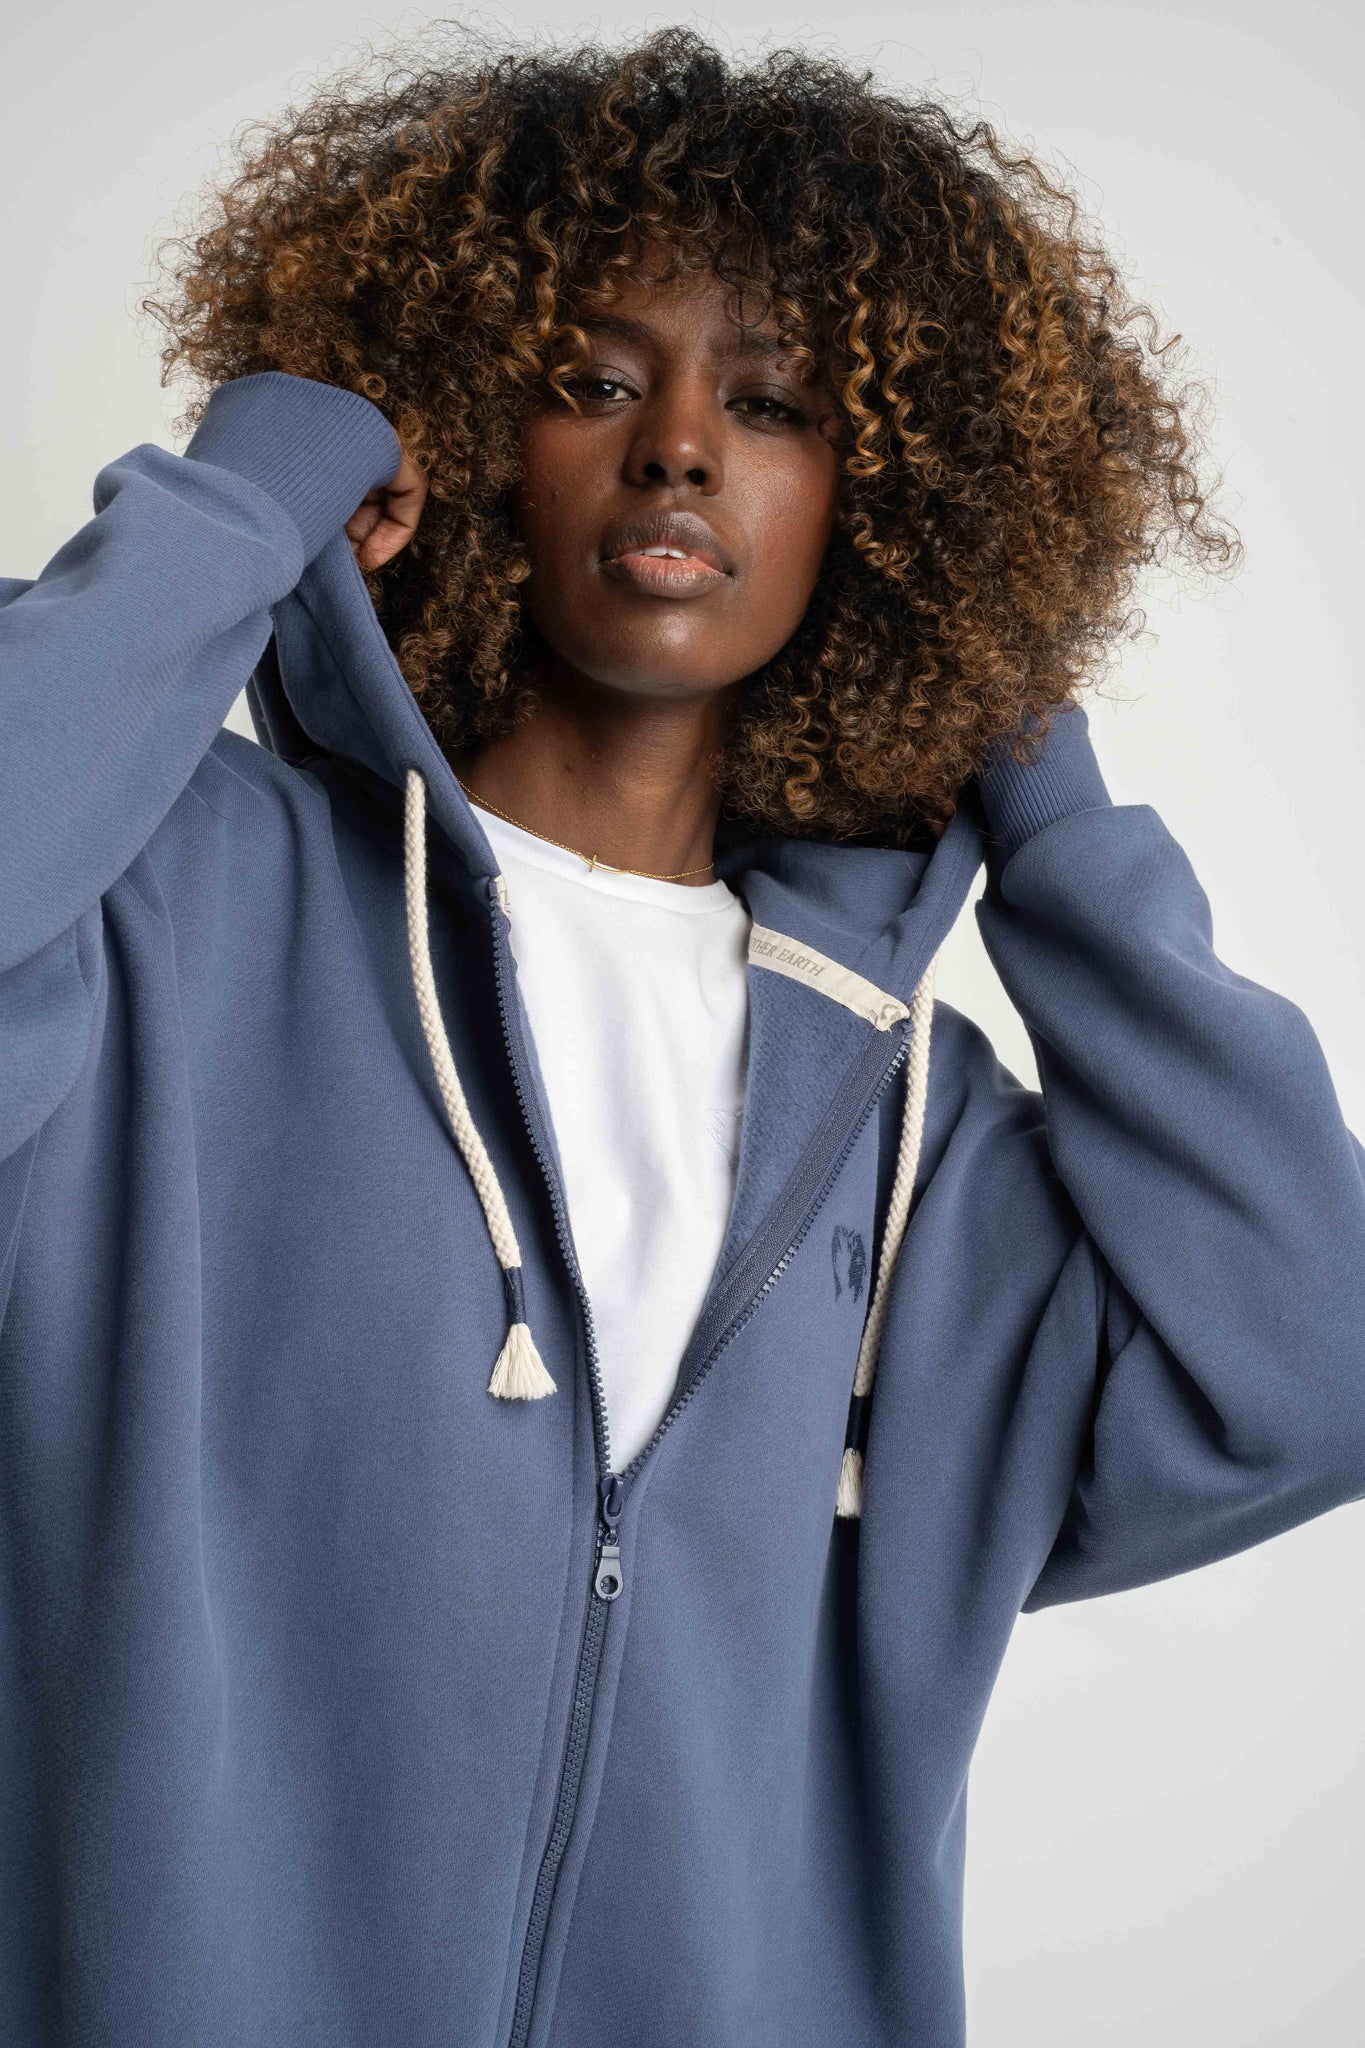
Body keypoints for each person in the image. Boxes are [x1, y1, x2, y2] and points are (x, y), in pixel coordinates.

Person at [2, 24, 1361, 2047]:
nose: (678, 450)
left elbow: (1312, 1369)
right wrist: (243, 502)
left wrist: (1055, 829)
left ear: (880, 512)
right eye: (589, 380)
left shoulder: (903, 1120)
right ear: (458, 428)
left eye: (776, 403)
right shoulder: (170, 902)